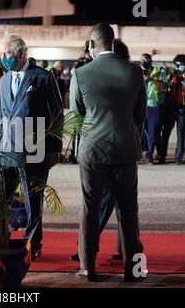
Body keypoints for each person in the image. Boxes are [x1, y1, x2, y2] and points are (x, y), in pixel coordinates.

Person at [70, 23, 147, 282]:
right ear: (113, 42)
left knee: (90, 207)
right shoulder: (134, 72)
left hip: (92, 150)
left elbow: (77, 115)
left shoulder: (81, 74)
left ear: (91, 44)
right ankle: (132, 269)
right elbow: (140, 116)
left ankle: (88, 267)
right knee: (128, 209)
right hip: (126, 149)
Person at [0, 34, 63, 260]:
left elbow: (56, 114)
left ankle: (32, 244)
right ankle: (1, 238)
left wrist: (54, 149)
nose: (3, 58)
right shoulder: (3, 80)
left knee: (33, 200)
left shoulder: (43, 78)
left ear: (22, 53)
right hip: (6, 150)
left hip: (34, 150)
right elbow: (1, 115)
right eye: (1, 54)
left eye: (7, 54)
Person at [171, 54, 185, 165]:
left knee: (181, 133)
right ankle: (178, 155)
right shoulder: (174, 76)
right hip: (174, 106)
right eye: (177, 65)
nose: (178, 67)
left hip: (182, 107)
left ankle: (179, 156)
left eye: (180, 64)